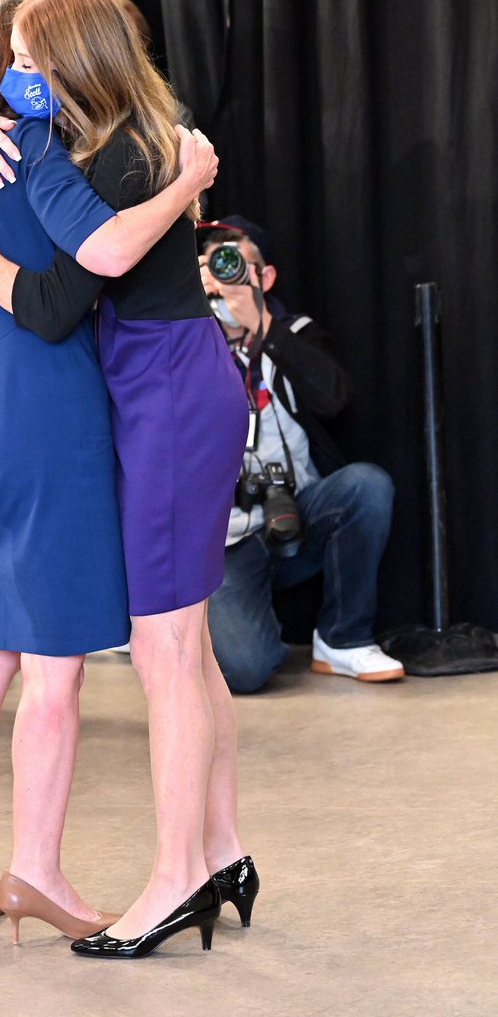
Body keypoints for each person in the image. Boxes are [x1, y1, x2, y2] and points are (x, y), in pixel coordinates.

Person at [0, 0, 254, 959]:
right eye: (11, 61)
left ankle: (178, 875)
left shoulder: (108, 152)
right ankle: (214, 852)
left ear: (73, 58)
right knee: (172, 649)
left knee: (164, 652)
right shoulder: (124, 136)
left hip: (160, 388)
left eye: (33, 59)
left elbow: (83, 272)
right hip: (146, 383)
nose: (19, 78)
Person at [199, 216, 403, 691]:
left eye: (236, 263)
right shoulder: (188, 342)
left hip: (303, 513)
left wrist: (264, 327)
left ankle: (343, 639)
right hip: (226, 538)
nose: (225, 274)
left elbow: (335, 397)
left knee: (366, 485)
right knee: (246, 671)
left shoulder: (296, 331)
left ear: (265, 278)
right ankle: (192, 623)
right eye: (214, 264)